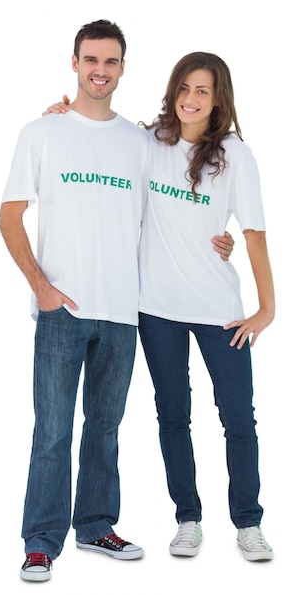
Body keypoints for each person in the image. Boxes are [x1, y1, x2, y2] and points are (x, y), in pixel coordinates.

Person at [0, 21, 235, 582]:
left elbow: (183, 197)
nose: (99, 70)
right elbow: (10, 216)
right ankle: (40, 542)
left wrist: (222, 237)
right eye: (90, 60)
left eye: (110, 61)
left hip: (124, 312)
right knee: (52, 431)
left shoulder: (141, 142)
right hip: (63, 310)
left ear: (123, 67)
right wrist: (41, 288)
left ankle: (97, 525)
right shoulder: (41, 132)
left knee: (104, 428)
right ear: (75, 63)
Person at [45, 51, 275, 562]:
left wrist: (266, 309)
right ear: (173, 91)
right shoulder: (151, 143)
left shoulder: (236, 155)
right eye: (185, 88)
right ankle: (188, 519)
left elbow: (254, 234)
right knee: (173, 416)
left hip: (220, 310)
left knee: (239, 418)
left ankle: (249, 523)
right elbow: (99, 141)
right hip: (156, 309)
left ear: (219, 101)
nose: (191, 99)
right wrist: (62, 115)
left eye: (203, 92)